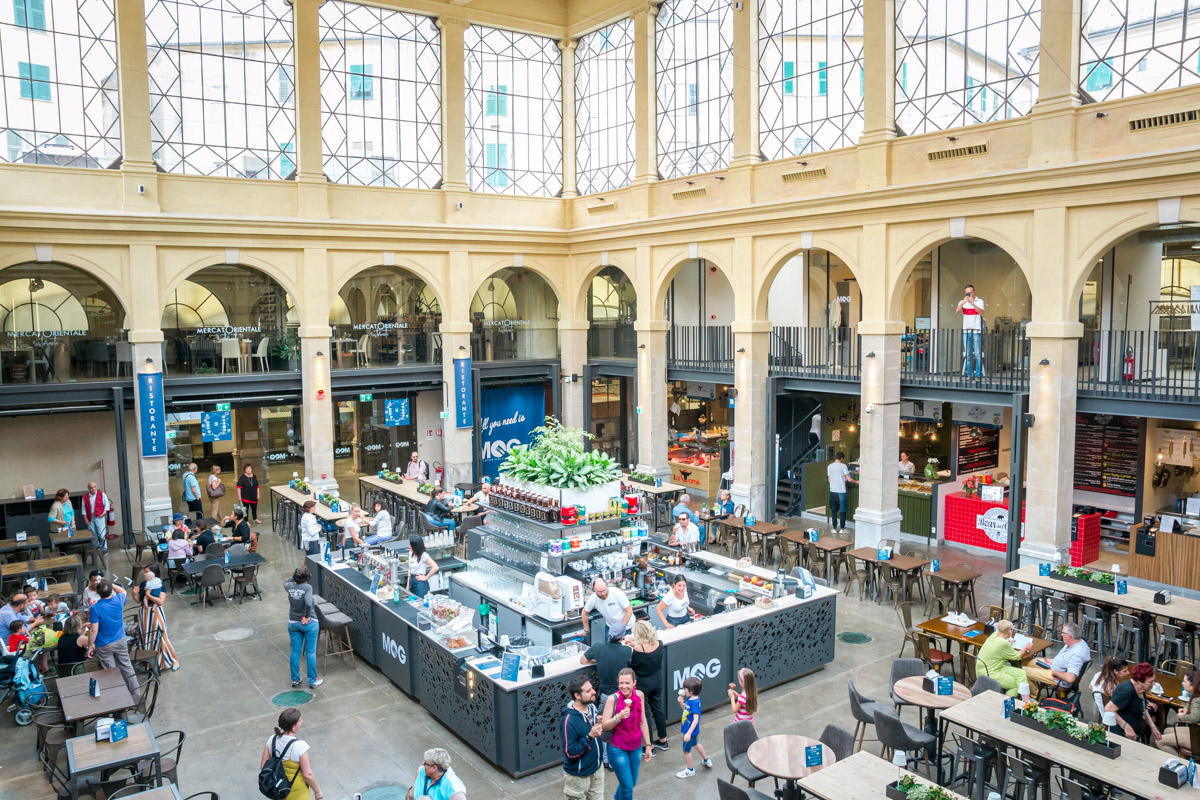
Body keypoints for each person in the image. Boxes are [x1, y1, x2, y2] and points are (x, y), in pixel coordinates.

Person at [602, 668, 652, 800]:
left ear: (634, 683)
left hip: (635, 747)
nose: (624, 686)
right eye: (621, 683)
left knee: (631, 783)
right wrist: (618, 717)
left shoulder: (639, 695)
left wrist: (647, 745)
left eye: (627, 683)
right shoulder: (613, 699)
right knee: (627, 786)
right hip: (617, 749)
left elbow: (643, 721)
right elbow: (605, 725)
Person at [86, 579, 140, 701]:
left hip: (104, 644)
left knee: (110, 671)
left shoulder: (96, 608)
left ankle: (117, 698)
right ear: (111, 590)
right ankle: (136, 695)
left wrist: (90, 646)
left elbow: (94, 630)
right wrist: (111, 584)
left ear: (97, 593)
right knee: (127, 667)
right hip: (120, 640)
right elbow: (122, 591)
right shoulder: (118, 600)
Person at [260, 707, 324, 800]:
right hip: (298, 793)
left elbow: (263, 766)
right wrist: (317, 791)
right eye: (300, 721)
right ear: (293, 727)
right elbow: (307, 775)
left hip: (279, 792)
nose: (302, 722)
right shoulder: (300, 746)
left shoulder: (272, 739)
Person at [562, 674, 606, 800]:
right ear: (577, 695)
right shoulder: (568, 722)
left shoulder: (592, 708)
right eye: (588, 691)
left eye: (592, 688)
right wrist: (590, 736)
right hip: (578, 778)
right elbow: (570, 753)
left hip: (597, 771)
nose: (594, 692)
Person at [626, 620, 668, 752]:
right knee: (658, 709)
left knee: (645, 714)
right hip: (657, 682)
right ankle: (663, 740)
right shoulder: (659, 644)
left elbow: (633, 666)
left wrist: (633, 646)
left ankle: (650, 746)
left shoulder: (638, 650)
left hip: (643, 685)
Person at [133, 563, 179, 672]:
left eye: (147, 571)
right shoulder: (144, 584)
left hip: (155, 612)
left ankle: (173, 660)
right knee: (145, 637)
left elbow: (160, 601)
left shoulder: (160, 584)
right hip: (144, 612)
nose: (144, 573)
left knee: (161, 636)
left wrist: (148, 595)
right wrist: (133, 594)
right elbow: (139, 600)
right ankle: (149, 662)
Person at [1023, 621, 1090, 693]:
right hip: (1053, 666)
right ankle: (1033, 691)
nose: (1061, 634)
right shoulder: (1074, 641)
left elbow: (1070, 678)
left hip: (1057, 677)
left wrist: (1055, 673)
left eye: (1063, 633)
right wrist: (1051, 661)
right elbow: (1064, 657)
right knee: (1024, 661)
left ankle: (1034, 697)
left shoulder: (1077, 655)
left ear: (1069, 636)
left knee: (1023, 671)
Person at [284, 567, 323, 689]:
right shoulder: (307, 588)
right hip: (308, 624)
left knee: (295, 651)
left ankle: (295, 679)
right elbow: (308, 602)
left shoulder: (289, 587)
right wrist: (306, 616)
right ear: (307, 579)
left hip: (293, 623)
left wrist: (295, 575)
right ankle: (312, 680)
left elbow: (285, 581)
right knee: (310, 652)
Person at [1105, 661, 1161, 744]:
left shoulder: (1141, 688)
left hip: (1135, 733)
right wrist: (1126, 726)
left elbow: (1143, 708)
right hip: (1121, 736)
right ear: (1140, 681)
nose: (1154, 684)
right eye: (1150, 682)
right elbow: (1108, 709)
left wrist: (1153, 727)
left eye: (1154, 681)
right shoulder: (1127, 690)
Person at [977, 619, 1033, 697]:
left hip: (988, 668)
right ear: (1010, 631)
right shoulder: (1003, 643)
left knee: (1021, 673)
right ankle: (1004, 703)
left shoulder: (994, 634)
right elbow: (1017, 656)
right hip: (989, 673)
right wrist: (1025, 648)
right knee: (1015, 684)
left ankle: (1026, 699)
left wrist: (1009, 644)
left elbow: (999, 646)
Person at [675, 675, 713, 778]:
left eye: (685, 689)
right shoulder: (691, 700)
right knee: (696, 744)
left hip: (689, 731)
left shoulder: (694, 702)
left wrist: (688, 733)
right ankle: (706, 760)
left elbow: (696, 719)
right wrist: (681, 703)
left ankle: (690, 769)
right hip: (692, 731)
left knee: (686, 751)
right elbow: (687, 710)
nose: (684, 691)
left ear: (691, 691)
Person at [1159, 669, 1200, 754]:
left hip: (1197, 737)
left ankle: (1180, 762)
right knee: (1166, 731)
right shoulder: (1196, 696)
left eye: (1184, 681)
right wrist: (1187, 711)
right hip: (1196, 731)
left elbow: (1194, 718)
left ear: (1192, 686)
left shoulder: (1197, 699)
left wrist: (1183, 716)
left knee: (1159, 740)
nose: (1182, 683)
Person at [956, 284, 985, 378]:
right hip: (966, 330)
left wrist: (973, 304)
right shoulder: (962, 302)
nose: (969, 295)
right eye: (967, 293)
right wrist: (962, 303)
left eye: (970, 292)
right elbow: (956, 311)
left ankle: (978, 375)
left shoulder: (979, 301)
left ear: (974, 292)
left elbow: (981, 312)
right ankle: (970, 375)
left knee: (977, 354)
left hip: (976, 331)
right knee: (968, 355)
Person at [81, 482, 111, 571]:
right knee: (92, 534)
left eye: (94, 487)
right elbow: (83, 508)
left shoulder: (102, 495)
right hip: (90, 517)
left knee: (102, 534)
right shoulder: (85, 497)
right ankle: (96, 549)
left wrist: (103, 513)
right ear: (88, 488)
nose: (93, 489)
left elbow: (107, 505)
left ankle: (104, 549)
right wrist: (85, 518)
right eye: (91, 487)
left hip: (99, 517)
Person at [826, 451, 857, 534]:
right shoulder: (843, 466)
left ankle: (834, 528)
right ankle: (842, 528)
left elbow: (829, 479)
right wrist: (857, 482)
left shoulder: (829, 466)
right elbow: (849, 479)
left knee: (833, 511)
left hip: (832, 491)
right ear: (842, 458)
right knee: (842, 511)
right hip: (841, 492)